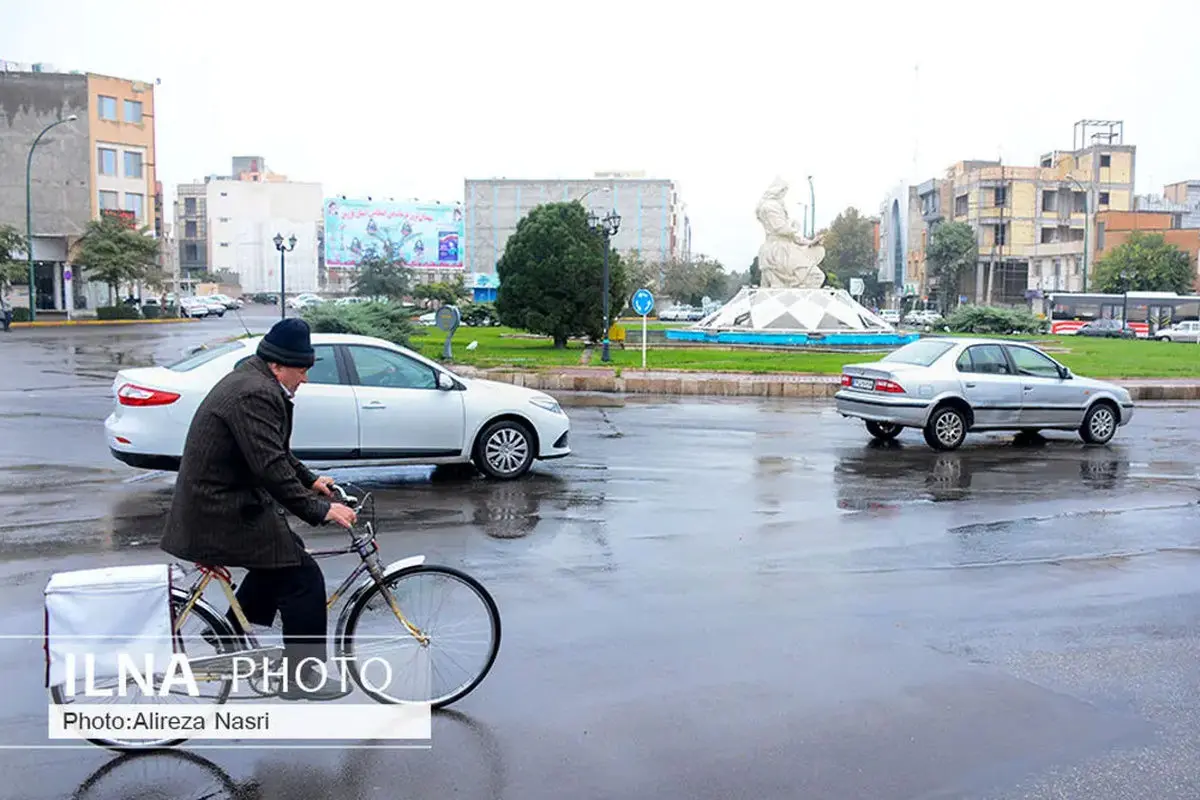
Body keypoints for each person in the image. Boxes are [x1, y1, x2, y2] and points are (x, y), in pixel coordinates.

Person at [160, 318, 358, 701]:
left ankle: (229, 635)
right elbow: (269, 469)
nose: (305, 379)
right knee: (303, 579)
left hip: (224, 504)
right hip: (218, 512)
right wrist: (321, 510)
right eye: (301, 370)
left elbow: (274, 451)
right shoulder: (254, 393)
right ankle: (302, 679)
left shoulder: (253, 381)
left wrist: (311, 480)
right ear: (278, 365)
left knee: (282, 558)